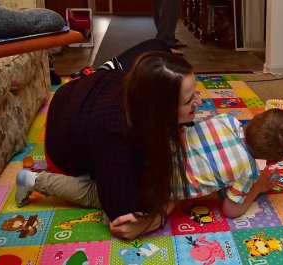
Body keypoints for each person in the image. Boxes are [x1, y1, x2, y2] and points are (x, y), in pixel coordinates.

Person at [15, 49, 202, 239]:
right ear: (159, 111)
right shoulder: (118, 135)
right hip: (61, 145)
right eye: (189, 100)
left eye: (195, 93)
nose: (200, 101)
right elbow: (122, 217)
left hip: (77, 95)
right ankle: (33, 180)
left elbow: (157, 45)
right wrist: (158, 216)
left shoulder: (147, 80)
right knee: (141, 191)